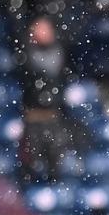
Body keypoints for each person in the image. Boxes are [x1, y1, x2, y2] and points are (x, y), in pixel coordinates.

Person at [16, 16, 77, 184]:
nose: (43, 33)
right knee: (30, 165)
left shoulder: (60, 50)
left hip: (54, 117)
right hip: (33, 118)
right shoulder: (26, 52)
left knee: (55, 164)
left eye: (45, 29)